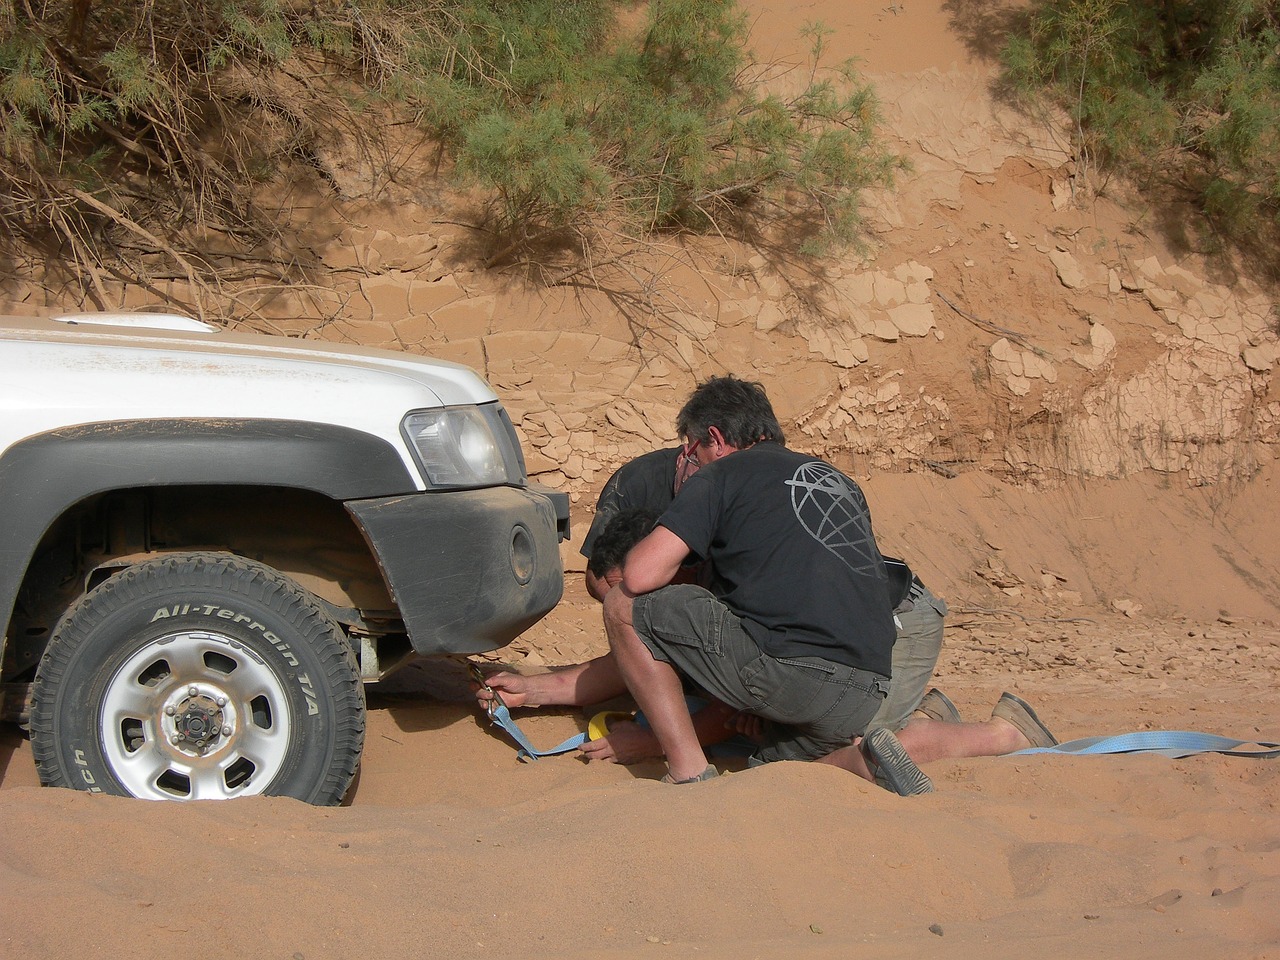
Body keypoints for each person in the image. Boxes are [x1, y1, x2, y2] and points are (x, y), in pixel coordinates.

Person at [601, 375, 1057, 792]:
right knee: (775, 767)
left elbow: (640, 576)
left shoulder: (721, 473)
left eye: (689, 449)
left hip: (798, 674)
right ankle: (899, 756)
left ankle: (688, 772)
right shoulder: (838, 480)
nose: (687, 461)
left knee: (623, 605)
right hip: (866, 684)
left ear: (714, 440)